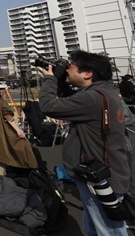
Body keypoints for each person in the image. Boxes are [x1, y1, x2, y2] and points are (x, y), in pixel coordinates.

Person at [39, 50, 129, 236]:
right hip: (100, 172)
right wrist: (62, 79)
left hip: (99, 177)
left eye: (70, 66)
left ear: (87, 73)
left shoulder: (91, 98)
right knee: (96, 227)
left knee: (108, 231)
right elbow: (69, 101)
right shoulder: (102, 93)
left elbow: (48, 106)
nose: (67, 69)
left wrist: (49, 79)